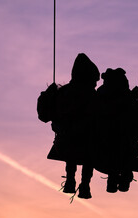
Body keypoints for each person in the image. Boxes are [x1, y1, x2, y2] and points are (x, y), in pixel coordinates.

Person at [37, 53, 100, 199]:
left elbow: (47, 115)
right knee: (88, 149)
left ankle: (70, 179)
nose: (96, 85)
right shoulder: (94, 97)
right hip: (86, 146)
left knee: (73, 144)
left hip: (64, 145)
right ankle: (85, 184)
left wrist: (50, 94)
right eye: (94, 81)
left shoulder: (62, 93)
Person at [91, 68, 138, 193]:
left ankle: (117, 176)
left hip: (98, 156)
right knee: (122, 135)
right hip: (122, 155)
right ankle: (123, 175)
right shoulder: (130, 105)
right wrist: (134, 102)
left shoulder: (95, 100)